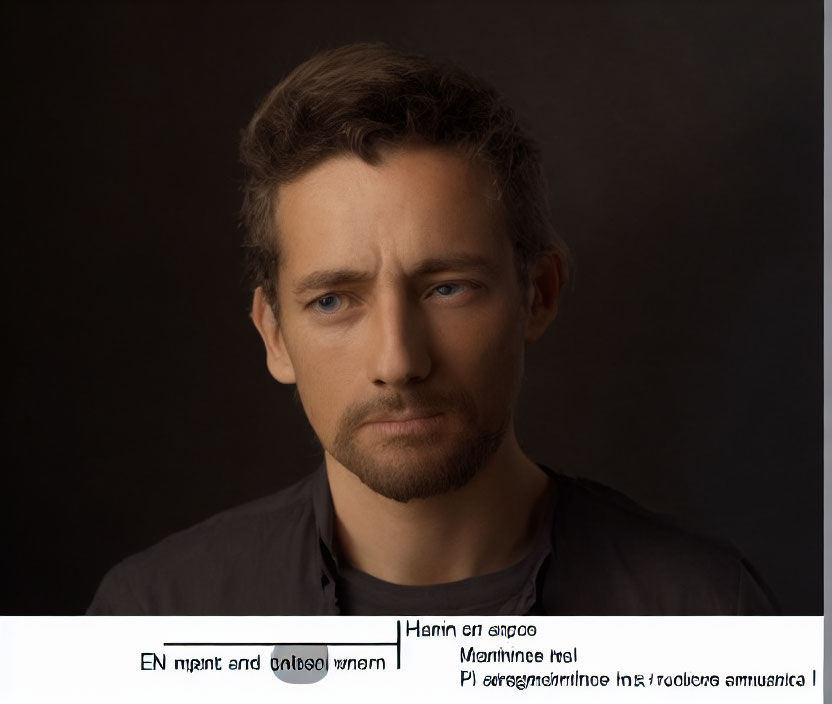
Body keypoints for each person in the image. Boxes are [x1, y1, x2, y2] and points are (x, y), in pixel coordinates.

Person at [88, 43, 776, 616]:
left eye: (447, 288)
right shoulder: (152, 617)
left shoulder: (708, 614)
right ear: (274, 334)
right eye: (334, 301)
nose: (399, 360)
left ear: (538, 294)